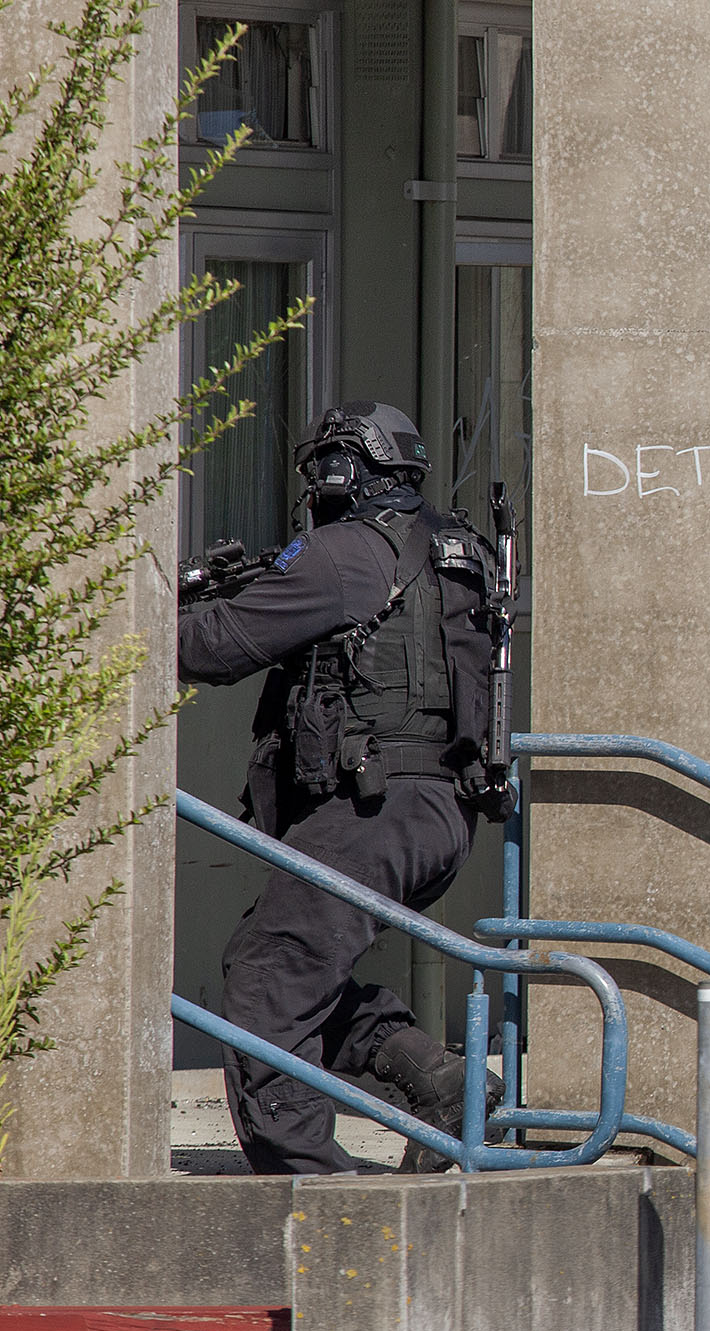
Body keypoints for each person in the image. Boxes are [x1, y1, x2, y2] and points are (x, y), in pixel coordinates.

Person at [179, 401, 504, 1174]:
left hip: (374, 808)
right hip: (440, 814)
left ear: (341, 473)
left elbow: (218, 645)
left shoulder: (347, 554)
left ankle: (312, 1183)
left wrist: (114, 624)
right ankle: (438, 1078)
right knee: (295, 962)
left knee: (269, 973)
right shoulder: (458, 550)